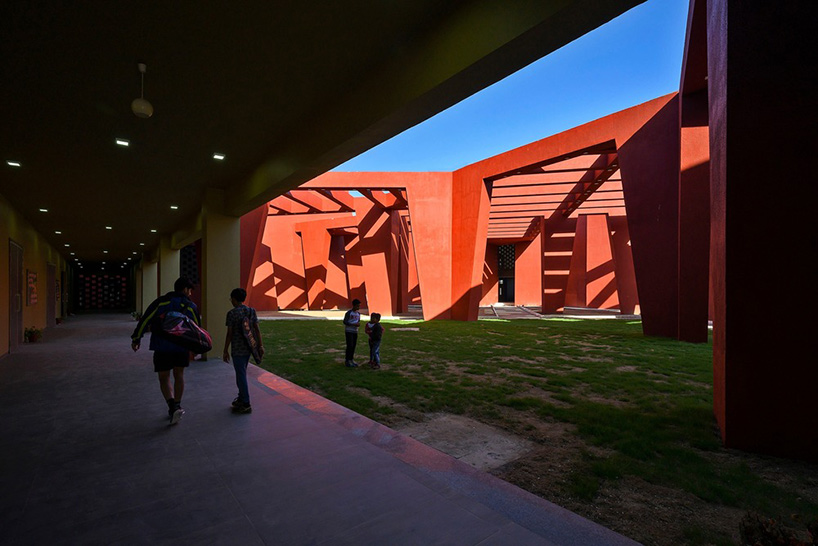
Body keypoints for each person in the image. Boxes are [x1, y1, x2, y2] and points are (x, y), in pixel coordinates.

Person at [131, 276, 200, 425]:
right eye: (190, 291)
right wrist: (195, 348)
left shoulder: (161, 302)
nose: (190, 294)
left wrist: (137, 337)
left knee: (164, 377)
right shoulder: (190, 306)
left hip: (161, 346)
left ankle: (171, 406)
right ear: (185, 289)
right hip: (181, 346)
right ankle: (177, 404)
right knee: (179, 375)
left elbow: (146, 319)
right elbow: (196, 329)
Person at [222, 288, 264, 414]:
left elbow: (229, 334)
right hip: (249, 348)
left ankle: (245, 403)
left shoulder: (232, 314)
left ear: (234, 299)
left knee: (241, 376)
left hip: (238, 350)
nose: (231, 301)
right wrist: (260, 346)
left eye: (231, 299)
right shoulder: (251, 311)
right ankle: (241, 398)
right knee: (242, 373)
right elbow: (257, 329)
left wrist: (225, 350)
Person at [342, 298, 361, 367]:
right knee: (350, 345)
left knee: (353, 346)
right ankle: (347, 360)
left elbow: (358, 321)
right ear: (354, 305)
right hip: (349, 331)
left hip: (355, 331)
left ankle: (351, 359)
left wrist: (358, 324)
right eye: (357, 306)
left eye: (359, 306)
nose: (358, 307)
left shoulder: (358, 314)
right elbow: (345, 322)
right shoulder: (349, 313)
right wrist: (353, 324)